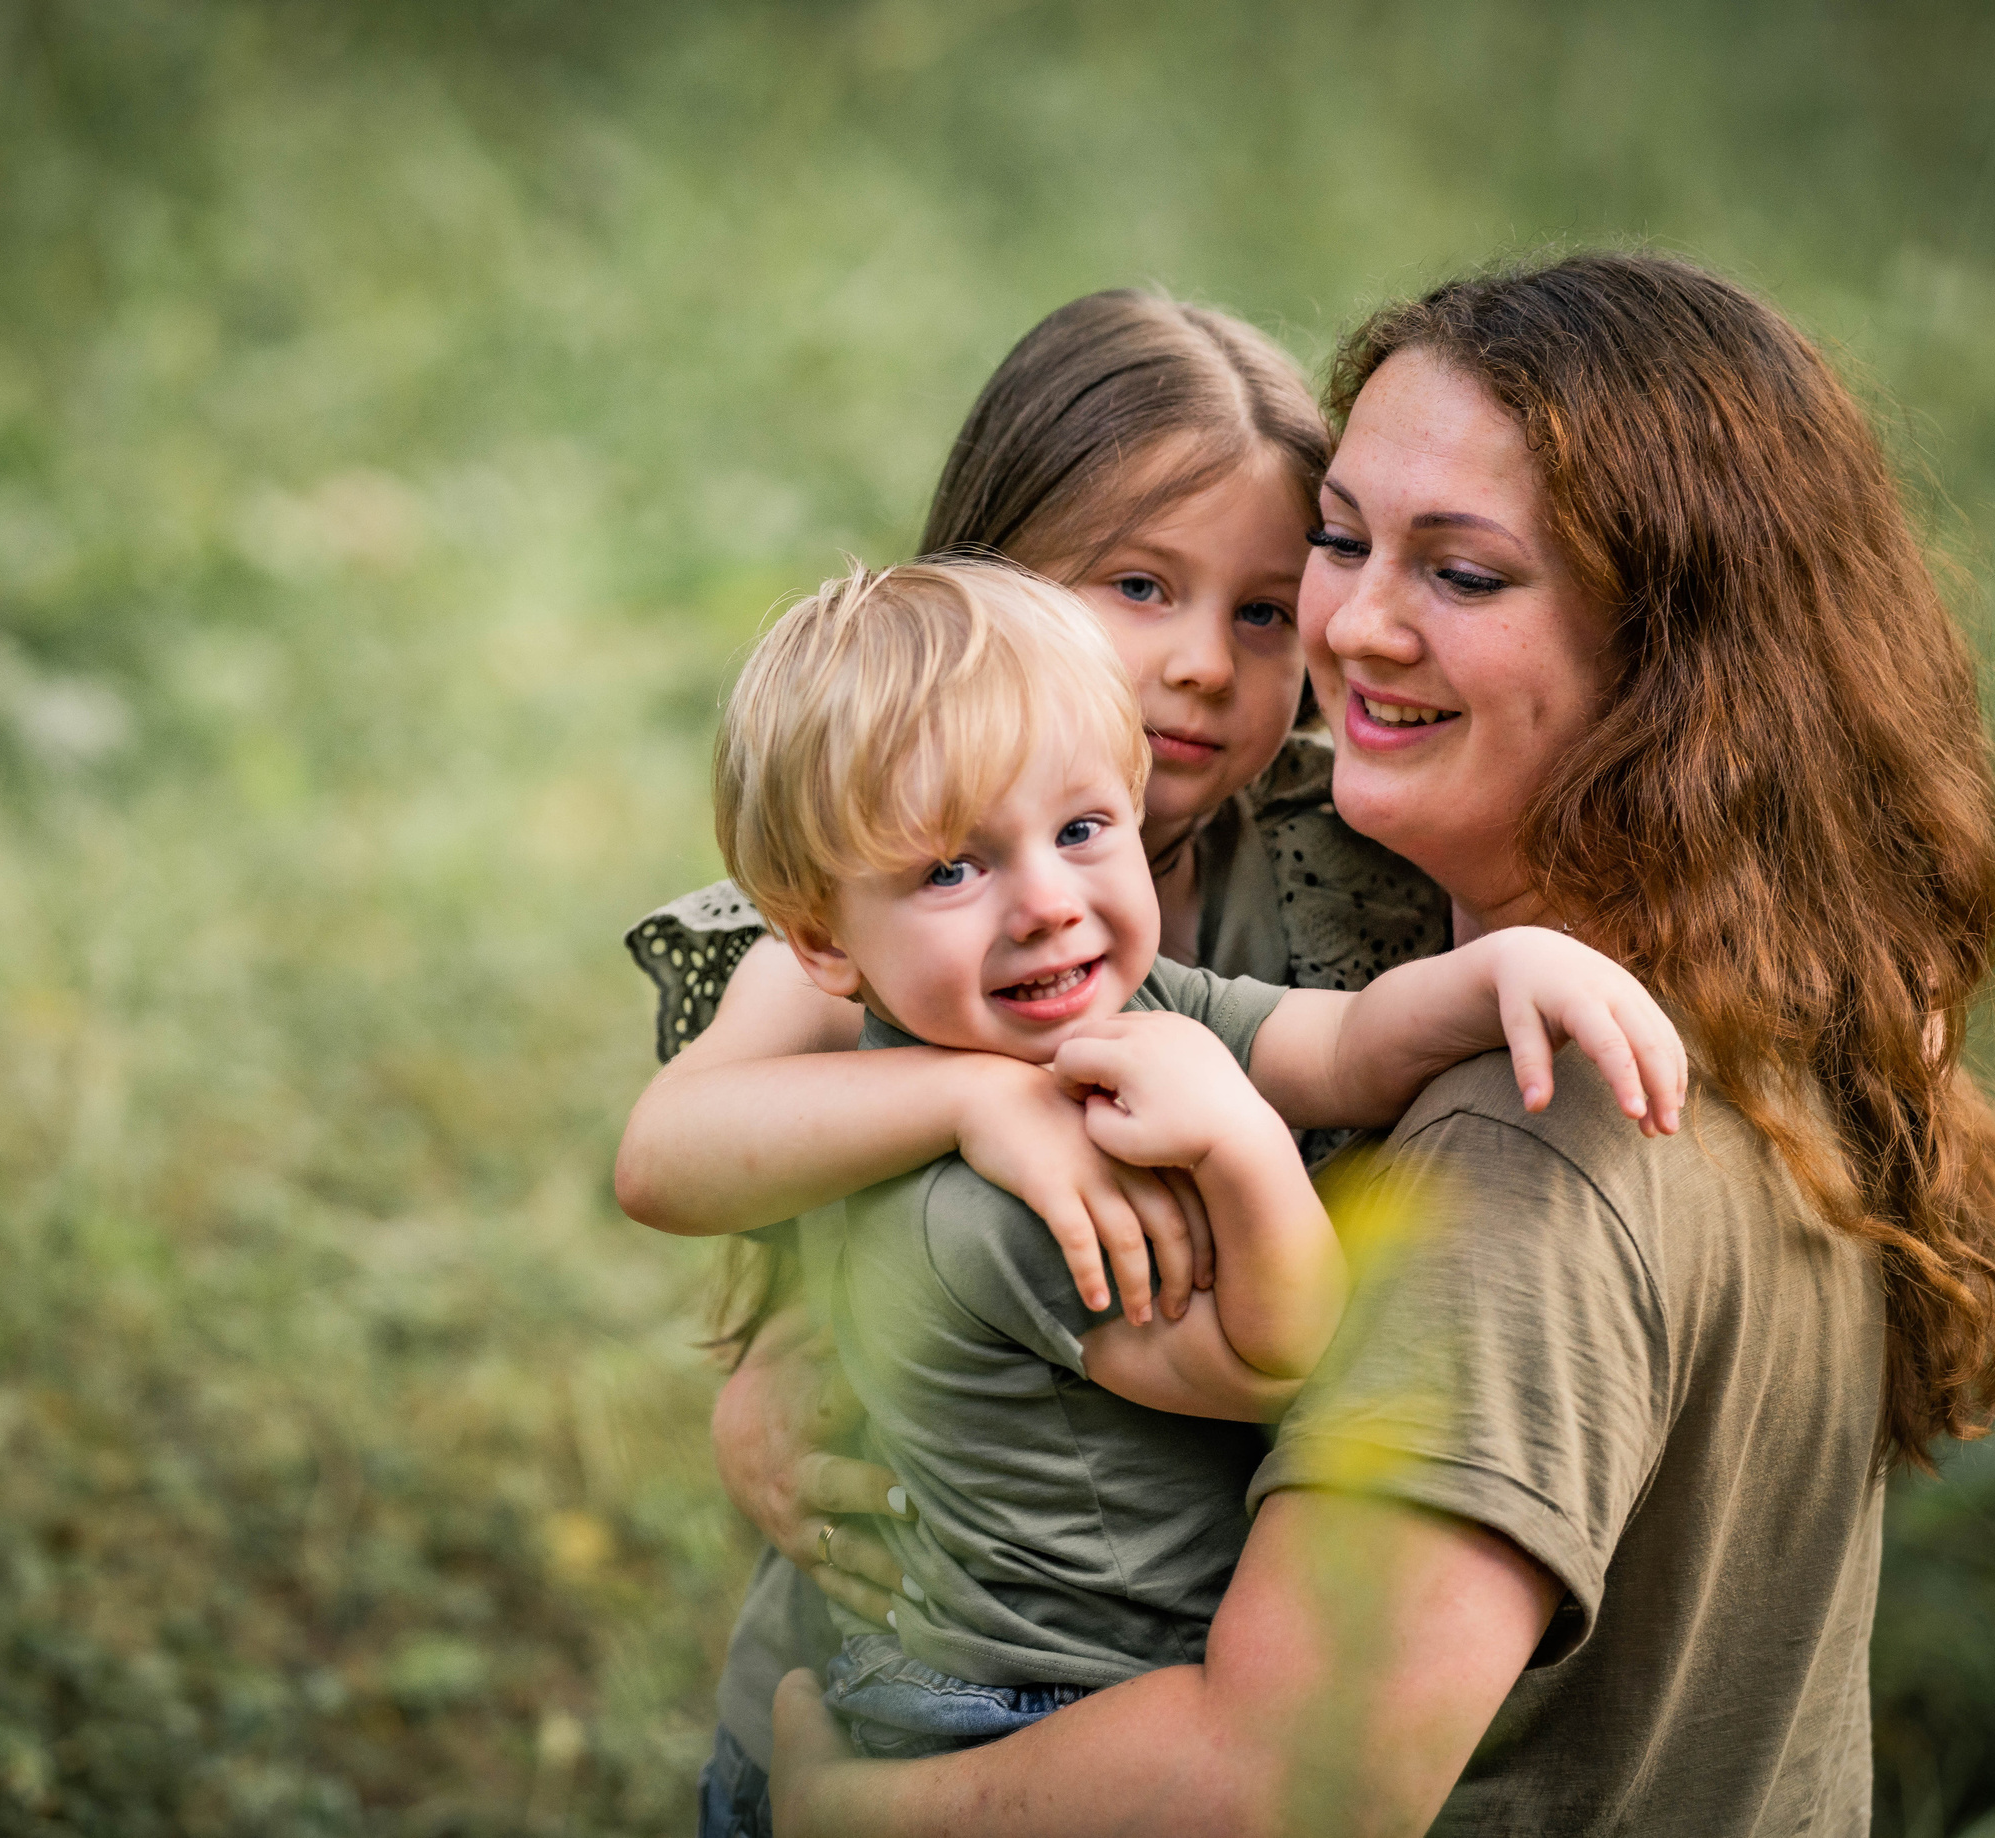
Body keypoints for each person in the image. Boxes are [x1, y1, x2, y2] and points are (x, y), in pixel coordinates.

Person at [760, 251, 1995, 1836]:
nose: (1353, 625)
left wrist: (849, 1812)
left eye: (1465, 574)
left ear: (1679, 658)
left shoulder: (1525, 1149)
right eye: (1343, 538)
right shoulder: (1768, 988)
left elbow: (1281, 1781)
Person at [620, 291, 1467, 1835]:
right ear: (992, 579)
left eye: (1263, 609)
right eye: (1139, 585)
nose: (1201, 662)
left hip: (1178, 1694)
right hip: (908, 1668)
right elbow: (669, 1151)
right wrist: (974, 1090)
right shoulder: (871, 885)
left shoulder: (1341, 870)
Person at [693, 554, 1682, 1774]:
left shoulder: (1124, 1005)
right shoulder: (984, 1205)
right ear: (821, 940)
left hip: (1076, 1688)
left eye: (1080, 829)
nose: (1046, 902)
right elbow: (1279, 1359)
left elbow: (1343, 1046)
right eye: (951, 868)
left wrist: (1504, 968)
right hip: (1017, 1713)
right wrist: (1241, 1141)